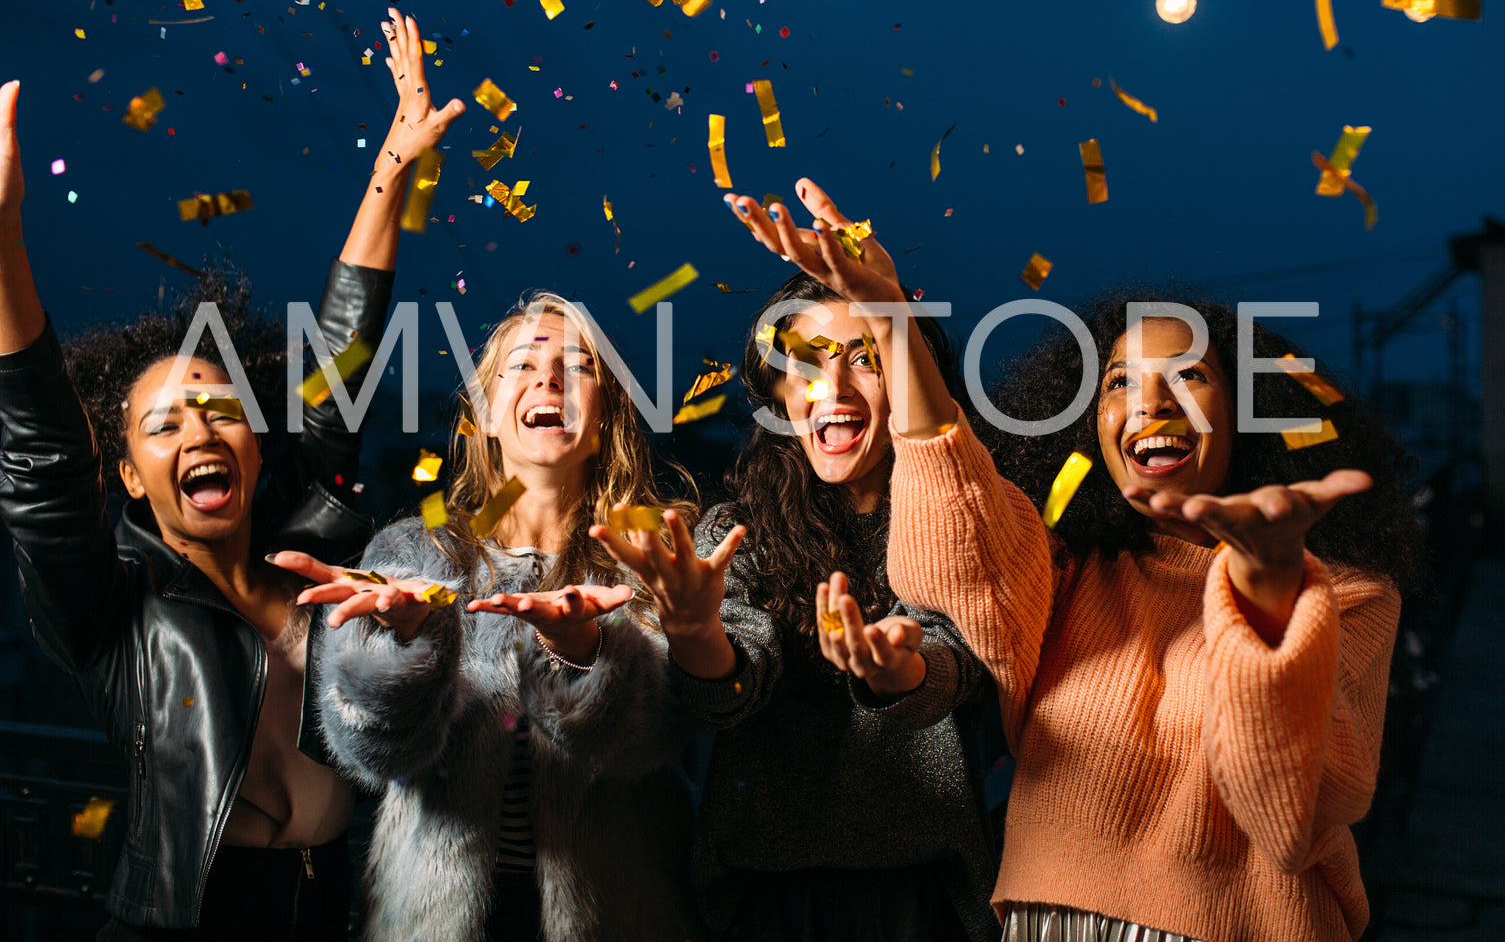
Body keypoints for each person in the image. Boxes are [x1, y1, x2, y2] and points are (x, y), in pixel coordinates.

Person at [799, 233, 1414, 942]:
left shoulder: (1346, 596)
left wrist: (1270, 591)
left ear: (1248, 411)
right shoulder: (1062, 568)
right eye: (1119, 381)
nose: (1148, 404)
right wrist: (889, 325)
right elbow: (952, 537)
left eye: (1187, 376)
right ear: (1090, 420)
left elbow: (1286, 816)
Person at [0, 9, 464, 940]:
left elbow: (341, 358)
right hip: (187, 920)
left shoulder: (318, 557)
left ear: (258, 447)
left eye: (219, 410)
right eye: (161, 425)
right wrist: (3, 240)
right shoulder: (113, 609)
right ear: (131, 478)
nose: (198, 430)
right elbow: (46, 463)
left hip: (338, 905)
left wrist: (391, 172)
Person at [593, 179, 998, 942]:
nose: (833, 387)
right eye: (806, 362)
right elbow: (730, 688)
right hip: (765, 902)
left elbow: (965, 665)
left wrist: (897, 672)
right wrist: (691, 628)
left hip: (924, 902)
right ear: (778, 389)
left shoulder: (960, 517)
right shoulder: (735, 529)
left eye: (863, 359)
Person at [277, 293, 704, 942]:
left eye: (575, 364)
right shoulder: (411, 552)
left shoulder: (654, 558)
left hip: (617, 914)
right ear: (485, 416)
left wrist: (587, 650)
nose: (548, 378)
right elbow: (370, 754)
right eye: (522, 365)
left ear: (606, 416)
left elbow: (658, 742)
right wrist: (410, 649)